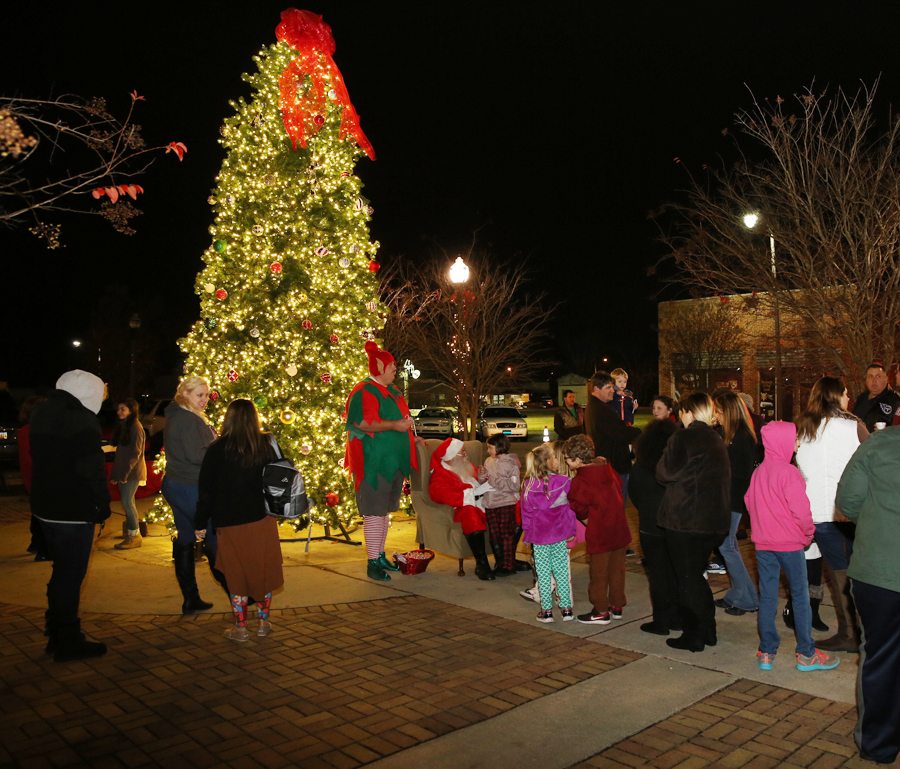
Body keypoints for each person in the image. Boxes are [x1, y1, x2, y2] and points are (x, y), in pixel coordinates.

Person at [745, 421, 840, 673]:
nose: (797, 443)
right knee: (800, 595)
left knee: (767, 595)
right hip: (789, 544)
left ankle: (766, 650)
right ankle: (806, 653)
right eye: (795, 438)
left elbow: (749, 502)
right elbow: (801, 511)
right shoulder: (789, 473)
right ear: (783, 442)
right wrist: (808, 534)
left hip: (764, 545)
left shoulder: (758, 473)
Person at [30, 370, 111, 662]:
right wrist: (101, 507)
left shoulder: (42, 412)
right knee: (70, 575)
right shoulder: (81, 421)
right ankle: (67, 639)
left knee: (61, 572)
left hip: (45, 507)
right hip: (72, 510)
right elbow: (91, 471)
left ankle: (56, 631)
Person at [835, 423, 900, 765]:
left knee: (880, 655)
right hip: (881, 573)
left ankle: (878, 743)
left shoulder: (878, 445)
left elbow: (848, 500)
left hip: (879, 574)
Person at [195, 400, 284, 641]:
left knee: (236, 575)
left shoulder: (217, 449)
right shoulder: (266, 444)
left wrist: (200, 522)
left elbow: (206, 491)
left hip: (230, 522)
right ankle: (264, 624)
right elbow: (282, 475)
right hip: (262, 519)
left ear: (228, 419)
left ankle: (241, 627)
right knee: (262, 571)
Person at [795, 376, 868, 652]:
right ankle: (854, 633)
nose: (849, 398)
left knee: (840, 575)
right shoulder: (852, 426)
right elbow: (871, 459)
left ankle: (851, 631)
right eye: (846, 394)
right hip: (846, 513)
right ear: (836, 396)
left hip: (815, 514)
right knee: (849, 577)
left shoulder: (804, 427)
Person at [655, 392, 730, 652]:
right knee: (696, 577)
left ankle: (694, 635)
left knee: (687, 580)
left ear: (689, 412)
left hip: (685, 521)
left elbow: (664, 472)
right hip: (711, 520)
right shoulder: (715, 438)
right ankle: (707, 630)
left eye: (682, 412)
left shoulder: (685, 437)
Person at [343, 340, 417, 582]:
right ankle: (372, 562)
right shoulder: (363, 391)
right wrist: (395, 426)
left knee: (384, 513)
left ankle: (380, 555)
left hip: (392, 463)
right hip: (373, 465)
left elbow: (403, 421)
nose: (395, 369)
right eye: (391, 365)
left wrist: (415, 439)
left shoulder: (392, 392)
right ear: (378, 368)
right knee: (374, 513)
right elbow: (360, 423)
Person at [162, 375, 217, 614]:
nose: (205, 400)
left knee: (185, 537)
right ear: (184, 394)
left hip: (178, 483)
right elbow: (197, 455)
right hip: (189, 486)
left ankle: (190, 599)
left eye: (206, 395)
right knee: (214, 537)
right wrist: (219, 453)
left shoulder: (181, 415)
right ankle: (241, 595)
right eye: (199, 395)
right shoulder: (187, 419)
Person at [564, 434, 630, 624]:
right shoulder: (607, 469)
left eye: (568, 459)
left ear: (577, 459)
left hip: (601, 532)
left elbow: (578, 506)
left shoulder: (580, 481)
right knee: (617, 570)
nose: (567, 464)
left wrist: (588, 522)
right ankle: (617, 604)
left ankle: (601, 609)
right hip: (619, 527)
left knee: (599, 573)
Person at [630, 416, 681, 635]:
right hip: (676, 526)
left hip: (650, 526)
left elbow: (635, 495)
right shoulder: (677, 467)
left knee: (658, 575)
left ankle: (661, 620)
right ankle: (678, 617)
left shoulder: (640, 468)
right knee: (676, 573)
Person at [711, 390, 759, 616]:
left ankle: (746, 598)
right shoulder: (730, 433)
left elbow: (742, 472)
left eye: (718, 411)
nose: (716, 415)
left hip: (732, 498)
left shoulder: (741, 436)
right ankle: (742, 595)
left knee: (727, 546)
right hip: (728, 497)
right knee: (727, 546)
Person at [521, 442, 577, 623]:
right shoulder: (564, 482)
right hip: (559, 535)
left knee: (544, 573)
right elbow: (569, 511)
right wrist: (571, 531)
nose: (556, 459)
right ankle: (566, 609)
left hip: (539, 537)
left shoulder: (529, 486)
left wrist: (527, 535)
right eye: (553, 457)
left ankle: (546, 611)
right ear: (548, 462)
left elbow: (526, 514)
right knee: (561, 571)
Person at [428, 437, 494, 580]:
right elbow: (437, 493)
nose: (465, 455)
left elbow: (478, 480)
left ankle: (506, 562)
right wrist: (472, 493)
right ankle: (482, 564)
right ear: (451, 456)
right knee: (470, 514)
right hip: (461, 507)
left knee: (513, 507)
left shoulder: (465, 466)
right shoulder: (441, 473)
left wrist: (483, 478)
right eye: (462, 452)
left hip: (482, 501)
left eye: (464, 451)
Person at [586, 371, 641, 502]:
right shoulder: (602, 410)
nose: (612, 390)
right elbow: (620, 433)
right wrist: (639, 433)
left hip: (609, 465)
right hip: (614, 467)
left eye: (612, 387)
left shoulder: (594, 406)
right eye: (608, 387)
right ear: (596, 389)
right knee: (617, 507)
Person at [478, 433, 521, 576]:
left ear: (500, 447)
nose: (488, 451)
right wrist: (482, 476)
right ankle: (500, 562)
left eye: (490, 448)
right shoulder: (488, 461)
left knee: (506, 534)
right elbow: (485, 480)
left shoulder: (510, 463)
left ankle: (508, 565)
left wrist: (494, 481)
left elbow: (514, 486)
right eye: (487, 448)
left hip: (505, 503)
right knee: (494, 535)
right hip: (490, 503)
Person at [110, 398, 147, 550]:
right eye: (118, 409)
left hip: (132, 473)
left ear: (131, 411)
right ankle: (132, 534)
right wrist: (116, 474)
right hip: (126, 472)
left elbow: (135, 453)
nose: (119, 412)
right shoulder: (126, 426)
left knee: (127, 502)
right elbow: (122, 453)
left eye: (123, 409)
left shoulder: (136, 427)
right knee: (127, 502)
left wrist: (124, 474)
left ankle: (134, 536)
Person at [19, 395, 48, 561]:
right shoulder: (36, 431)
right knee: (44, 514)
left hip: (31, 478)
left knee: (37, 512)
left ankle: (35, 543)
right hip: (40, 478)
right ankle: (43, 550)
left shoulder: (25, 431)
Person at [851, 361, 900, 433]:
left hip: (881, 442)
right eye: (870, 376)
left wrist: (887, 431)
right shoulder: (861, 398)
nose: (874, 380)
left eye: (878, 376)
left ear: (886, 379)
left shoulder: (895, 400)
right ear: (866, 380)